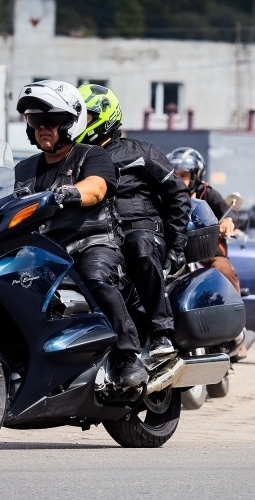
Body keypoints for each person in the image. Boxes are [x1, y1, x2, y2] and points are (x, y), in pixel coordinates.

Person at [13, 79, 148, 387]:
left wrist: (69, 192)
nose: (42, 128)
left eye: (51, 121)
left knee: (95, 277)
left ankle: (127, 357)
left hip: (91, 243)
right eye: (35, 121)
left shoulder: (92, 156)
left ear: (70, 124)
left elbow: (97, 187)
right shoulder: (23, 169)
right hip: (43, 252)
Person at [75, 84, 190, 357]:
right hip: (97, 238)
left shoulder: (140, 151)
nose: (79, 124)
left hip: (141, 231)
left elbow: (178, 194)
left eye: (86, 117)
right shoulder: (74, 157)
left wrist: (176, 246)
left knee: (138, 245)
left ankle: (162, 333)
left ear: (104, 116)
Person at [167, 147, 253, 358]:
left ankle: (235, 328)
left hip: (207, 252)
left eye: (184, 175)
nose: (179, 179)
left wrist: (228, 220)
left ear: (196, 177)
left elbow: (229, 210)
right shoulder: (164, 194)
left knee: (223, 270)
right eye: (175, 174)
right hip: (174, 251)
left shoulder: (207, 192)